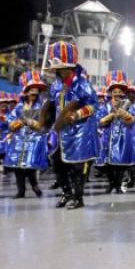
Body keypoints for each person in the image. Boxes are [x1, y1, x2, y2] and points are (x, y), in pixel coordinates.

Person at [45, 41, 98, 210]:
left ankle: (78, 197)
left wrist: (76, 114)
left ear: (69, 66)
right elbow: (54, 106)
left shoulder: (82, 84)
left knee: (77, 166)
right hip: (61, 132)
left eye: (59, 67)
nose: (56, 71)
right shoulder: (55, 86)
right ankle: (66, 193)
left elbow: (93, 105)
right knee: (56, 162)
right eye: (55, 68)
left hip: (80, 132)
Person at [5, 71, 48, 199]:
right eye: (31, 90)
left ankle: (34, 186)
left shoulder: (42, 106)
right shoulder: (19, 106)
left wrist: (31, 122)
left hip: (34, 139)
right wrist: (13, 124)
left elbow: (44, 123)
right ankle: (21, 191)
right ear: (26, 91)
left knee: (30, 166)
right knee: (18, 168)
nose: (33, 93)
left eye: (36, 91)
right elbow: (10, 120)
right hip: (19, 139)